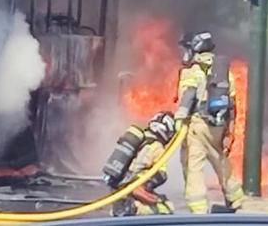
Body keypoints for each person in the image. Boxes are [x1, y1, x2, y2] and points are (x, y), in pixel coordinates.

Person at [174, 31, 245, 214]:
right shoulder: (222, 71)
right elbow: (232, 104)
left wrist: (179, 120)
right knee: (220, 160)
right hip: (218, 126)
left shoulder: (193, 71)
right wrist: (229, 131)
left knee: (193, 167)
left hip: (198, 125)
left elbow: (188, 96)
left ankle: (198, 210)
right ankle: (235, 199)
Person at [103, 112, 177, 216]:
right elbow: (160, 174)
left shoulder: (140, 139)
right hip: (133, 187)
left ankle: (122, 208)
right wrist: (151, 195)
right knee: (167, 207)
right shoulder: (157, 147)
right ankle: (134, 208)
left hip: (119, 188)